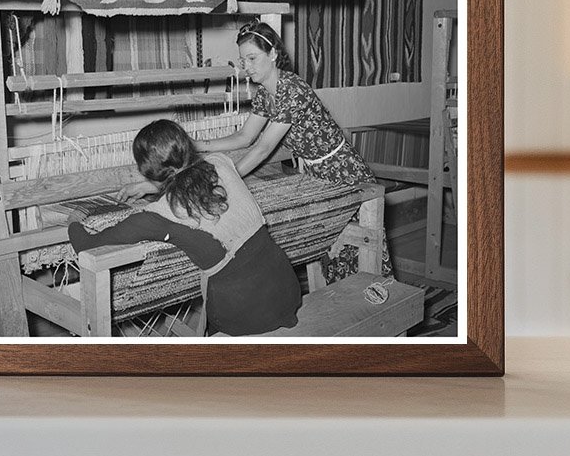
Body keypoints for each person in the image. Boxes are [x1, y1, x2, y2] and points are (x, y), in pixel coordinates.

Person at [68, 119, 301, 336]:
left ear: (146, 171)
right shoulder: (221, 163)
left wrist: (73, 220)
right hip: (287, 291)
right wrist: (150, 187)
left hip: (242, 315)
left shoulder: (156, 216)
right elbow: (197, 184)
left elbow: (87, 246)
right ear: (188, 148)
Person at [199, 20, 392, 277]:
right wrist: (200, 145)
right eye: (243, 60)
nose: (247, 66)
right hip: (317, 173)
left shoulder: (292, 90)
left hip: (342, 172)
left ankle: (370, 302)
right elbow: (245, 137)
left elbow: (264, 147)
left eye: (253, 58)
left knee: (357, 245)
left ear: (273, 54)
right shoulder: (265, 95)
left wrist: (227, 179)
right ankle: (342, 304)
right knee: (331, 244)